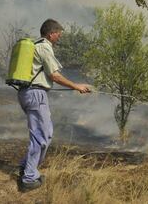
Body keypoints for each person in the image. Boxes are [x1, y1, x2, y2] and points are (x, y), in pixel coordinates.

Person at [17, 18, 91, 192]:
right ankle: (28, 178)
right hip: (35, 94)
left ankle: (26, 166)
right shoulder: (44, 47)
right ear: (51, 33)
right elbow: (55, 76)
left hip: (30, 93)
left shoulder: (37, 46)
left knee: (46, 133)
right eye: (59, 34)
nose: (60, 37)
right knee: (41, 136)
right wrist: (77, 86)